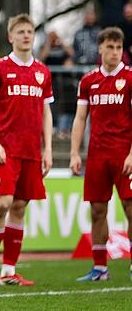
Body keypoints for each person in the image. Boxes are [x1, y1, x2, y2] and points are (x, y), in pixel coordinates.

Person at [0, 14, 53, 287]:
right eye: (21, 31)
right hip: (5, 149)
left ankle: (9, 271)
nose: (27, 35)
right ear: (11, 36)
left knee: (19, 206)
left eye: (30, 31)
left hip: (31, 150)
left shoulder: (43, 72)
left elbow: (46, 111)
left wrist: (48, 149)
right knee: (2, 203)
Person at [69, 27, 132, 282]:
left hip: (123, 154)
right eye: (110, 47)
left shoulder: (129, 78)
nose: (115, 52)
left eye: (119, 48)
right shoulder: (88, 81)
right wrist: (75, 152)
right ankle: (99, 268)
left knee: (130, 208)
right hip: (97, 155)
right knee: (97, 210)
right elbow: (80, 117)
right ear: (101, 49)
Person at [38, 31, 75, 139]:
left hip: (63, 83)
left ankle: (63, 128)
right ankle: (53, 127)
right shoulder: (45, 47)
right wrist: (49, 42)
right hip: (50, 82)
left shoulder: (62, 48)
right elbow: (42, 57)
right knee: (52, 105)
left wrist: (61, 41)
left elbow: (72, 54)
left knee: (64, 106)